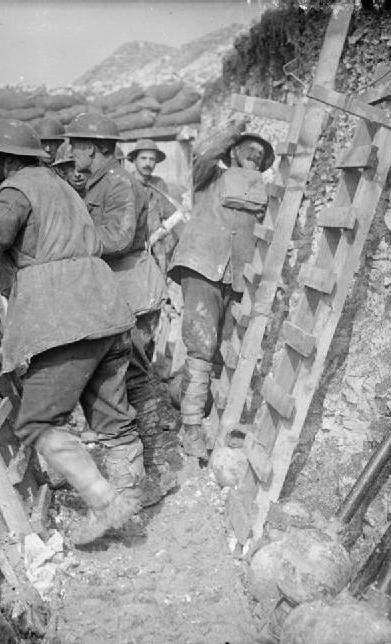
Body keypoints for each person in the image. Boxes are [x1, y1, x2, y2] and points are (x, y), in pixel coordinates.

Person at [0, 119, 144, 544]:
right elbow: (28, 234)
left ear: (7, 159)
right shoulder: (58, 186)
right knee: (111, 415)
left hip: (65, 317)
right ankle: (132, 499)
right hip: (105, 308)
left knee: (36, 422)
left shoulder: (17, 188)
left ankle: (106, 504)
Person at [66, 113, 174, 504]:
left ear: (92, 148)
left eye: (76, 145)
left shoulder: (118, 184)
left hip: (132, 289)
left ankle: (158, 467)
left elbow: (119, 236)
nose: (71, 151)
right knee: (131, 376)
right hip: (119, 289)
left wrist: (69, 236)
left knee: (134, 377)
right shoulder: (102, 182)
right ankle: (156, 467)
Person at [167, 118, 274, 458]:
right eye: (249, 149)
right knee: (201, 345)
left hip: (236, 277)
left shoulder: (262, 193)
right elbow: (203, 153)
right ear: (234, 151)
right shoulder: (209, 177)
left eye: (261, 154)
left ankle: (193, 408)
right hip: (201, 266)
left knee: (218, 351)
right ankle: (192, 430)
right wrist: (233, 128)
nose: (254, 156)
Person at [126, 138, 177, 274]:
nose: (147, 163)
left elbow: (172, 214)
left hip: (157, 253)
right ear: (134, 160)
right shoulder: (126, 184)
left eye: (152, 159)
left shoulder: (158, 184)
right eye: (143, 158)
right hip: (132, 254)